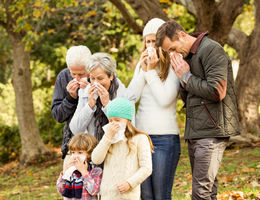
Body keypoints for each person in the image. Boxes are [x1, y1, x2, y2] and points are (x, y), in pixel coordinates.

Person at [156, 20, 240, 200]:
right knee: (208, 192)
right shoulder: (187, 58)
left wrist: (185, 76)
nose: (172, 54)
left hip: (212, 130)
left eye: (172, 48)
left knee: (200, 192)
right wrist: (182, 78)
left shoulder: (211, 49)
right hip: (196, 131)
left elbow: (217, 91)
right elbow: (190, 97)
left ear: (181, 35)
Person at [127, 18, 180, 200]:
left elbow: (165, 99)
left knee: (161, 195)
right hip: (141, 137)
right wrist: (142, 71)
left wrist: (150, 72)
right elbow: (131, 98)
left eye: (154, 41)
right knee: (146, 195)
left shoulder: (174, 64)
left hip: (165, 138)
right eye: (147, 41)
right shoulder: (142, 67)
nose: (150, 45)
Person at [91, 97, 153, 200]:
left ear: (128, 120)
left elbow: (146, 168)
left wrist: (129, 183)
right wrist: (107, 138)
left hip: (127, 196)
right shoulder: (108, 138)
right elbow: (96, 159)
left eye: (117, 120)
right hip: (107, 196)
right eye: (110, 120)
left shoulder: (140, 138)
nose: (113, 123)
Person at [69, 53, 135, 141]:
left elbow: (128, 130)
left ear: (111, 76)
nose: (96, 83)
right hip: (93, 150)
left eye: (100, 79)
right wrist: (89, 106)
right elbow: (75, 130)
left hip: (117, 150)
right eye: (92, 78)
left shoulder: (126, 96)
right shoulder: (85, 93)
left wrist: (107, 105)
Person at [51, 45, 91, 159]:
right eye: (73, 74)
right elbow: (57, 116)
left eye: (81, 74)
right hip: (73, 145)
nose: (77, 78)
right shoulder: (63, 77)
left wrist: (91, 93)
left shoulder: (100, 75)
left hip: (97, 143)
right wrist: (70, 99)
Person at [57, 133, 102, 200]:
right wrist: (65, 172)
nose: (75, 156)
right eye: (73, 152)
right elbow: (61, 190)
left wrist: (84, 172)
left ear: (89, 153)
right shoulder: (71, 172)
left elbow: (94, 191)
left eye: (80, 152)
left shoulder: (95, 171)